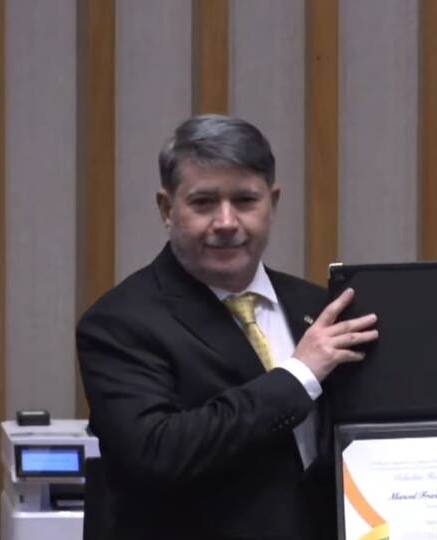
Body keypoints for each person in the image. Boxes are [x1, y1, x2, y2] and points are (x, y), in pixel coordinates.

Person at [77, 115, 378, 540]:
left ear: (272, 202)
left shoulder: (318, 307)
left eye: (244, 200)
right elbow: (155, 452)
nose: (225, 222)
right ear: (167, 208)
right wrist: (299, 374)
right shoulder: (119, 323)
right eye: (203, 203)